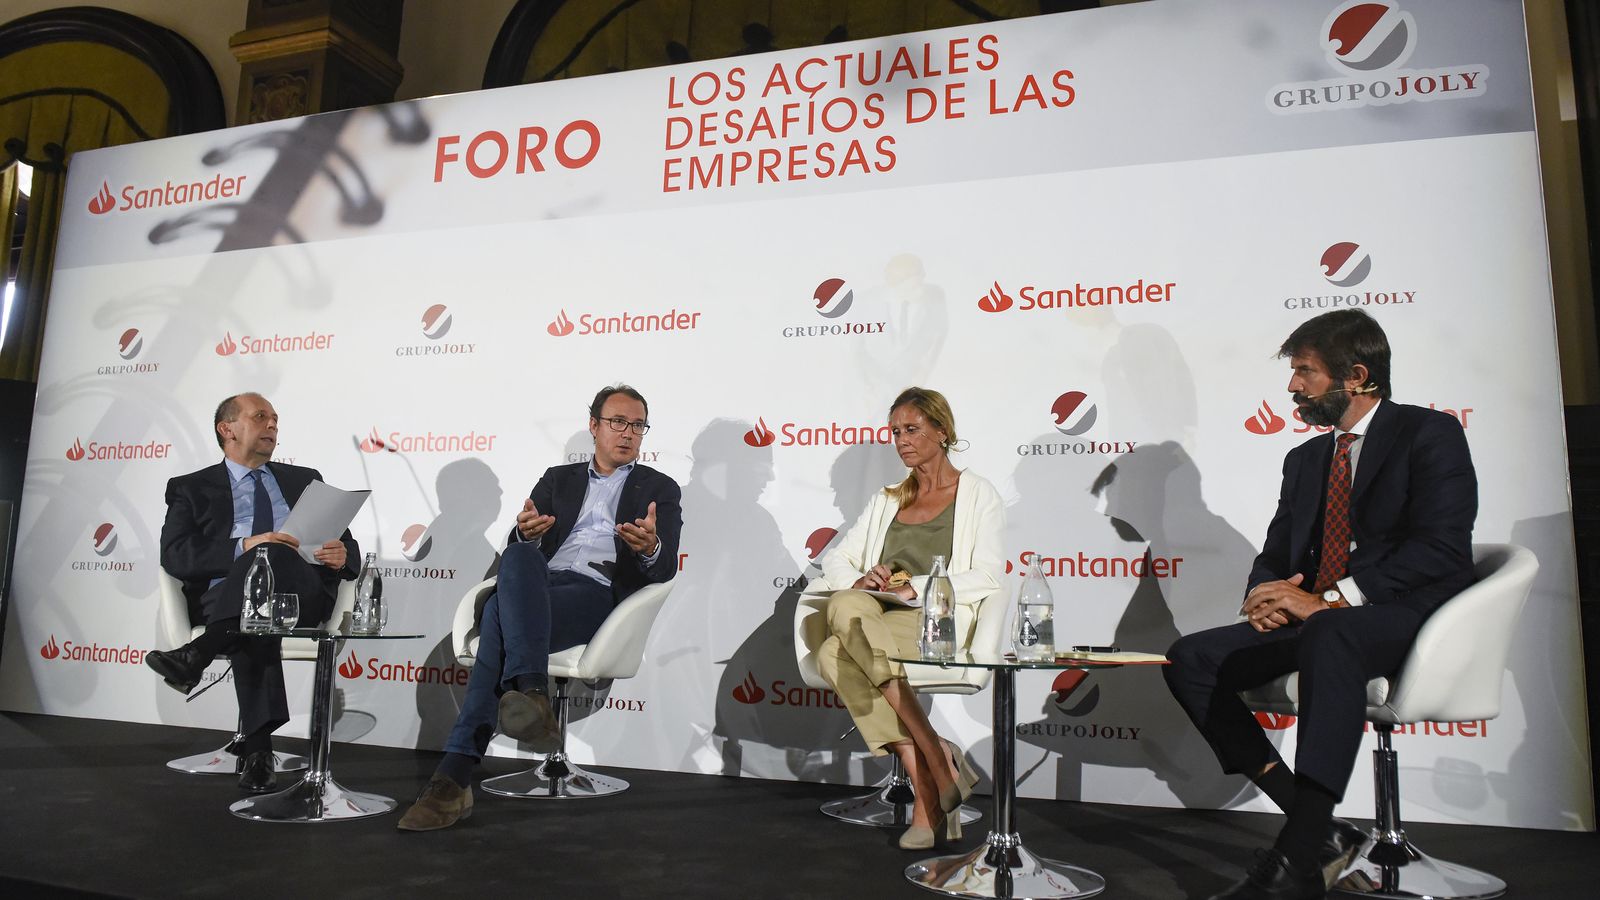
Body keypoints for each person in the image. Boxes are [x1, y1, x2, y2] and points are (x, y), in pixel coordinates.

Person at [1164, 310, 1477, 900]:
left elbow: (1441, 549)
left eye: (1305, 372)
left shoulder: (1428, 434)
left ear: (1355, 376)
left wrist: (1331, 599)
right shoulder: (1305, 460)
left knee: (1331, 632)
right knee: (1190, 657)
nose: (1292, 387)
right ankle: (1319, 829)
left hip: (1404, 614)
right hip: (1318, 616)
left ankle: (1300, 854)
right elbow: (1277, 550)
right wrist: (1266, 597)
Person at [397, 384, 682, 831]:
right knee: (518, 554)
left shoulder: (659, 488)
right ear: (594, 426)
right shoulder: (557, 480)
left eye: (638, 425)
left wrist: (650, 547)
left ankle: (456, 773)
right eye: (618, 422)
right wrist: (526, 534)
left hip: (596, 593)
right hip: (540, 586)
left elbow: (665, 565)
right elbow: (524, 541)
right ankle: (529, 694)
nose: (628, 433)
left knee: (495, 616)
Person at [810, 387, 1004, 849]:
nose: (901, 440)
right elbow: (838, 560)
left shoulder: (977, 494)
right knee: (847, 603)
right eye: (895, 431)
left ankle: (931, 778)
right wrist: (865, 578)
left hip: (933, 619)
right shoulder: (888, 498)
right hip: (876, 615)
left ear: (942, 430)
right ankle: (933, 765)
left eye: (912, 429)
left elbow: (988, 575)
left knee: (835, 652)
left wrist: (913, 586)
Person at [147, 392, 360, 793]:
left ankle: (201, 656)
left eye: (276, 419)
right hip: (224, 596)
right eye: (261, 416)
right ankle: (259, 749)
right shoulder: (190, 488)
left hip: (302, 595)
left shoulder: (304, 480)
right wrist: (243, 547)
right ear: (227, 429)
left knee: (269, 563)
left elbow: (349, 545)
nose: (272, 425)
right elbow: (175, 555)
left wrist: (341, 553)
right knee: (254, 608)